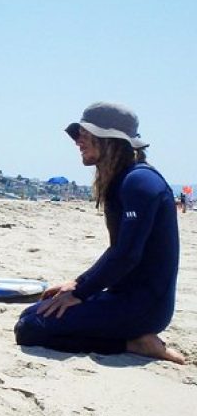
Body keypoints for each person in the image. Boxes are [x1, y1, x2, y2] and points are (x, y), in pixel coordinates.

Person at [14, 102, 184, 364]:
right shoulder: (125, 180)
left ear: (111, 140)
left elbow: (127, 255)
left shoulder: (140, 182)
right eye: (77, 134)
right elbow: (118, 249)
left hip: (144, 307)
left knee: (30, 329)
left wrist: (80, 293)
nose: (77, 142)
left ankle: (134, 343)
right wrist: (78, 284)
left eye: (84, 134)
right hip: (123, 297)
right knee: (30, 315)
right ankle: (131, 339)